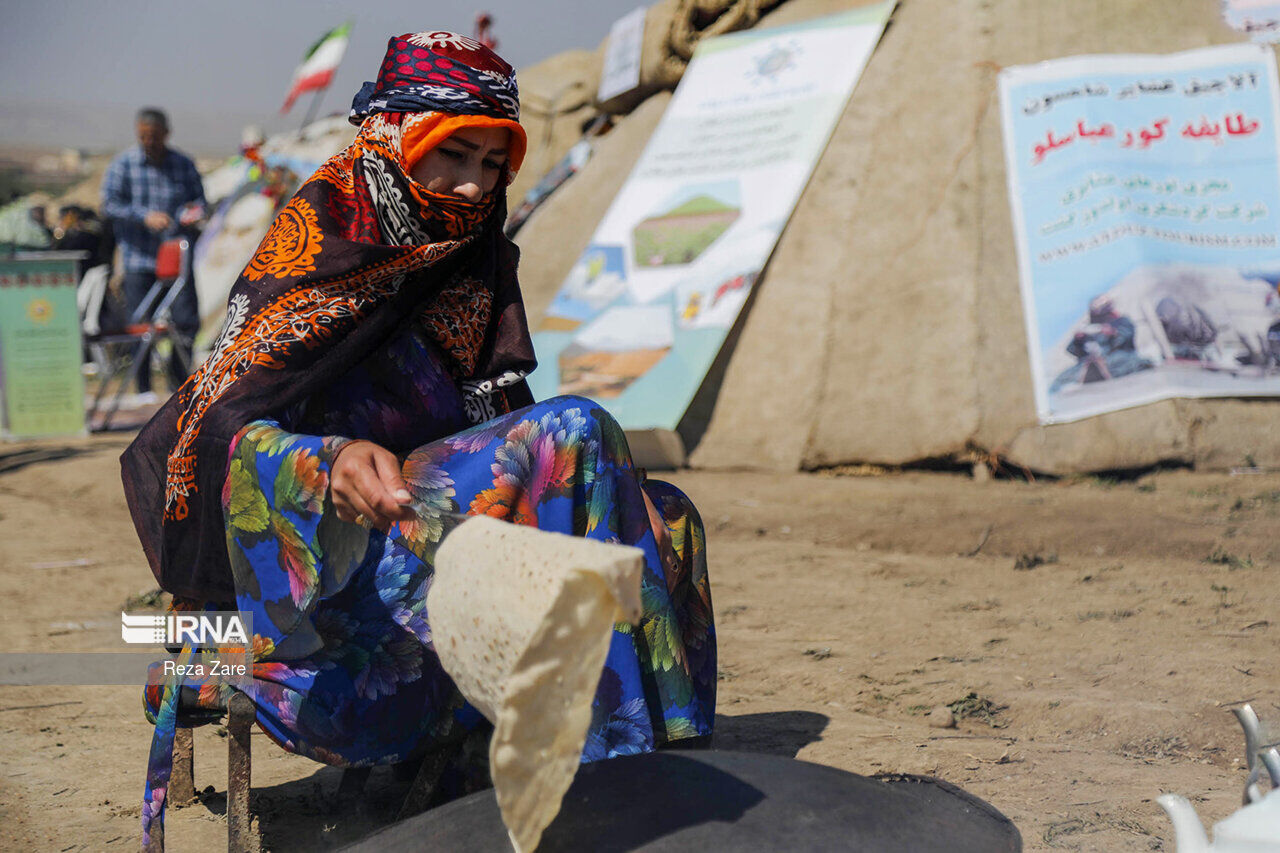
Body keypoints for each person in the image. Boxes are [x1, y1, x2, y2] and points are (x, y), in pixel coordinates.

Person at [123, 32, 715, 846]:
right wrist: (326, 460)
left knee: (664, 511)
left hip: (433, 522)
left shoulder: (468, 252)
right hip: (330, 556)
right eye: (454, 154)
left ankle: (639, 755)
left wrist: (606, 492)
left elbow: (498, 413)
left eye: (493, 162)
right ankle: (606, 775)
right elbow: (218, 424)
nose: (474, 184)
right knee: (576, 428)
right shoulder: (325, 233)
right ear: (398, 138)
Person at [101, 107, 206, 401]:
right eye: (143, 136)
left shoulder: (183, 164)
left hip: (176, 260)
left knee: (186, 321)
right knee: (140, 324)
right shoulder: (123, 164)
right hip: (138, 258)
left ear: (166, 134)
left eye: (154, 137)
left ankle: (178, 384)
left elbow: (200, 201)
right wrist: (143, 216)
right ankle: (143, 387)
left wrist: (189, 214)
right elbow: (108, 205)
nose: (149, 142)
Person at [1050, 295, 1154, 392]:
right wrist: (1078, 340)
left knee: (1135, 363)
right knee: (1061, 380)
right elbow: (1074, 351)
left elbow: (1126, 337)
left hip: (1117, 357)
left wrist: (1113, 333)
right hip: (1088, 363)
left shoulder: (1121, 321)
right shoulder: (1088, 328)